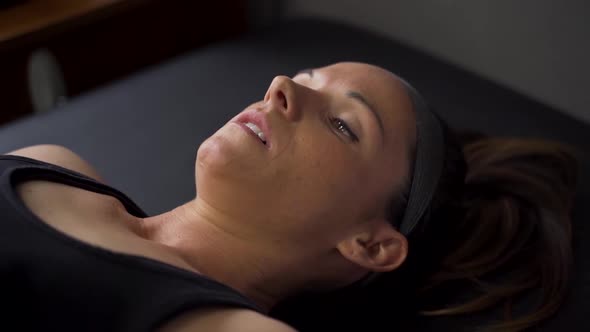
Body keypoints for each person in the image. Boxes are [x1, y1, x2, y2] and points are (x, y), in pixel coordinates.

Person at [1, 62, 577, 332]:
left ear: (371, 244)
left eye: (345, 125)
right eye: (305, 78)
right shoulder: (55, 164)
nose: (281, 88)